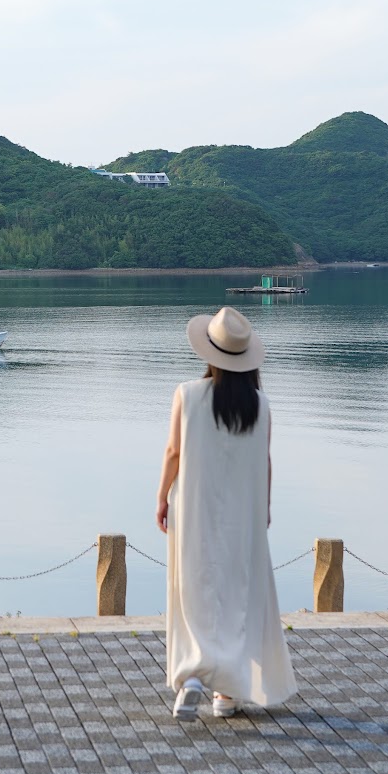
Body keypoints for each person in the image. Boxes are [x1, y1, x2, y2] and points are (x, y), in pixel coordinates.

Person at [155, 306, 296, 720]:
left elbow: (174, 453)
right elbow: (265, 462)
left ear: (210, 353)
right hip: (244, 515)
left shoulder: (187, 394)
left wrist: (162, 497)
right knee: (238, 595)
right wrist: (265, 509)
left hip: (193, 508)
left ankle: (193, 677)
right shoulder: (261, 405)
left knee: (195, 590)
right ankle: (227, 695)